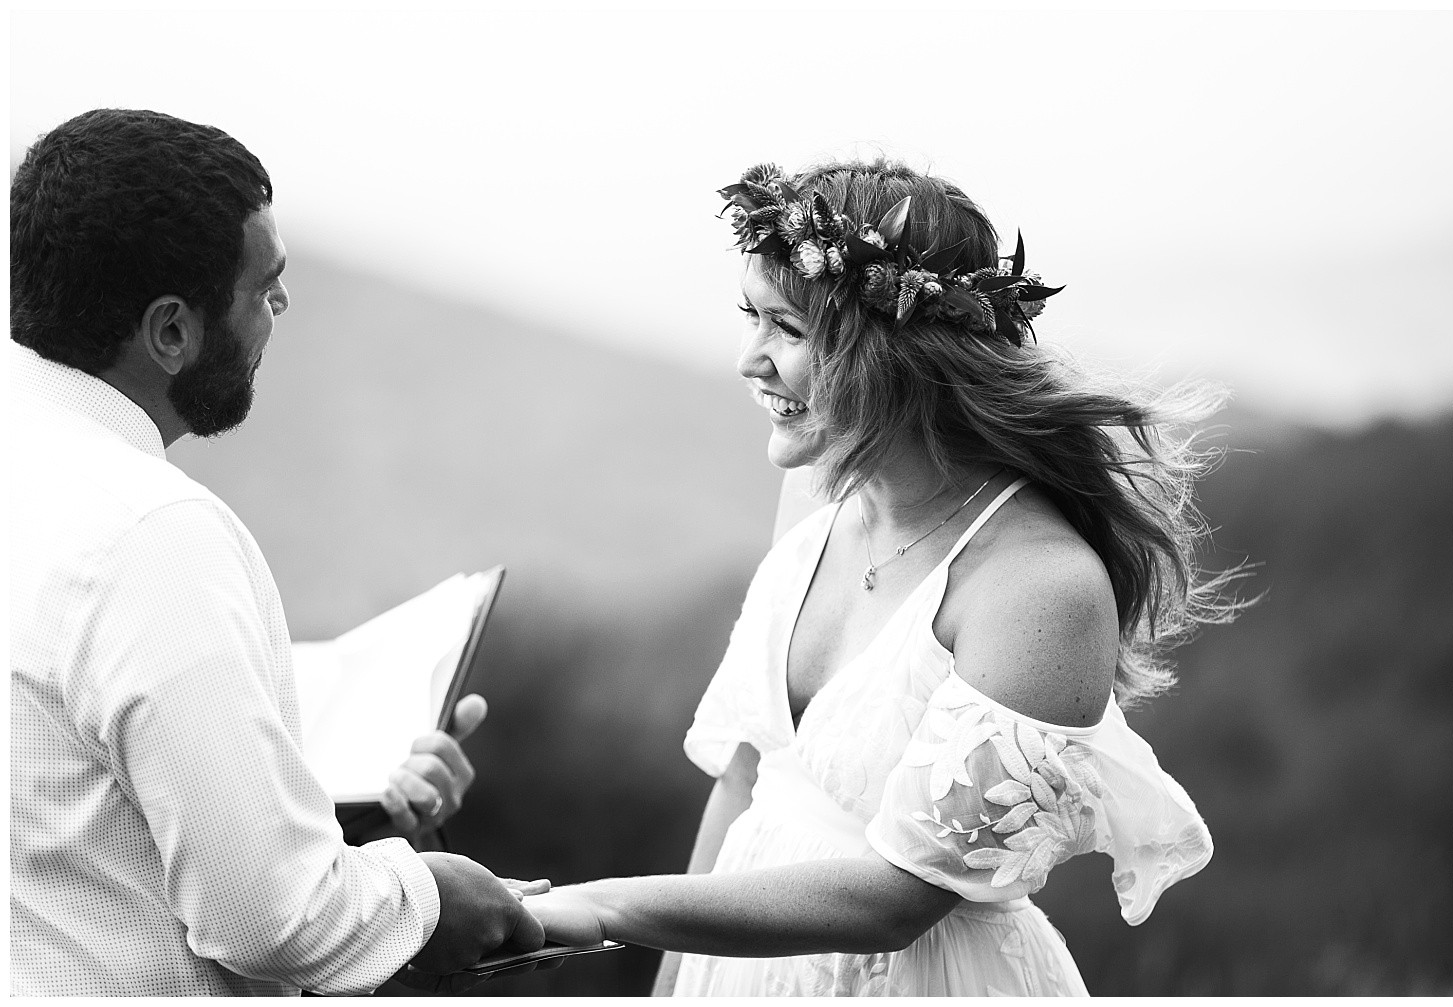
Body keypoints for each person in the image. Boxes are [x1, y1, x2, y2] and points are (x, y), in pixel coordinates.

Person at [521, 159, 1240, 996]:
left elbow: (900, 896)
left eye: (786, 329)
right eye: (750, 318)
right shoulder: (816, 496)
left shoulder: (1041, 586)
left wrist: (608, 908)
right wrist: (675, 985)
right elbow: (748, 779)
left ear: (890, 351)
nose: (750, 359)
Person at [8, 108, 546, 996]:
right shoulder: (153, 534)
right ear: (171, 331)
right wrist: (426, 891)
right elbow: (270, 919)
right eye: (265, 286)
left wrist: (344, 802)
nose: (282, 308)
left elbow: (73, 787)